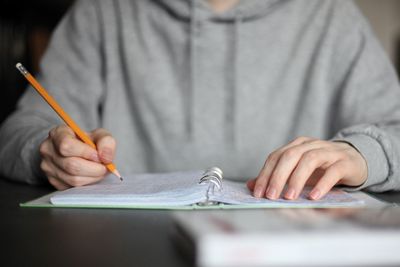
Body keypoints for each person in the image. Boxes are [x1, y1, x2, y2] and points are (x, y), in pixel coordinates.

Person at [0, 0, 399, 201]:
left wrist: (359, 154)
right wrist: (45, 152)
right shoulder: (102, 11)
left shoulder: (331, 14)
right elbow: (15, 133)